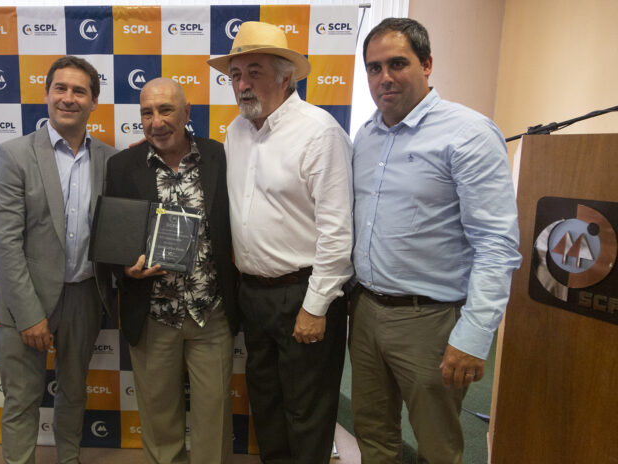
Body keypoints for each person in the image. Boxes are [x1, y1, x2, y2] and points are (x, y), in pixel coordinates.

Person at [350, 17, 522, 463]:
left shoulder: (468, 134)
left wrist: (474, 336)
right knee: (374, 435)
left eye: (397, 64)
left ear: (426, 64)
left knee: (437, 445)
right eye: (374, 68)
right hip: (365, 312)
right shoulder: (365, 136)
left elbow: (496, 244)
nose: (384, 77)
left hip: (430, 321)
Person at [208, 21, 353, 464]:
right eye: (236, 75)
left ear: (286, 76)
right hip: (253, 294)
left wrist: (316, 306)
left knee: (307, 410)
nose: (242, 84)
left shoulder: (319, 132)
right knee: (266, 404)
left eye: (254, 72)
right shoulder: (236, 131)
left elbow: (337, 230)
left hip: (303, 294)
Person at [0, 55, 117, 464]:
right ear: (46, 94)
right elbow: (5, 242)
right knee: (22, 399)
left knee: (74, 394)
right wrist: (29, 315)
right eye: (60, 88)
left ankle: (69, 458)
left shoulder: (110, 159)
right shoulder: (14, 154)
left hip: (84, 296)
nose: (68, 98)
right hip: (25, 299)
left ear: (94, 101)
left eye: (79, 91)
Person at [105, 78, 240, 464]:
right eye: (147, 113)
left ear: (186, 113)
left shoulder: (219, 156)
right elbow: (112, 238)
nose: (157, 121)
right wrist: (126, 269)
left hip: (210, 313)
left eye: (166, 110)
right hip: (153, 316)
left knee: (214, 419)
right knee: (159, 419)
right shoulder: (122, 166)